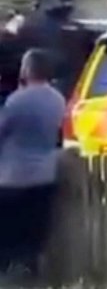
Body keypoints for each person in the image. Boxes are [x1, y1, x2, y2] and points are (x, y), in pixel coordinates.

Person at [0, 49, 66, 280]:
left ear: (27, 70)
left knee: (8, 235)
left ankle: (10, 278)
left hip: (13, 178)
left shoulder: (17, 100)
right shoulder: (58, 99)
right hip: (45, 175)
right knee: (34, 236)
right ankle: (31, 277)